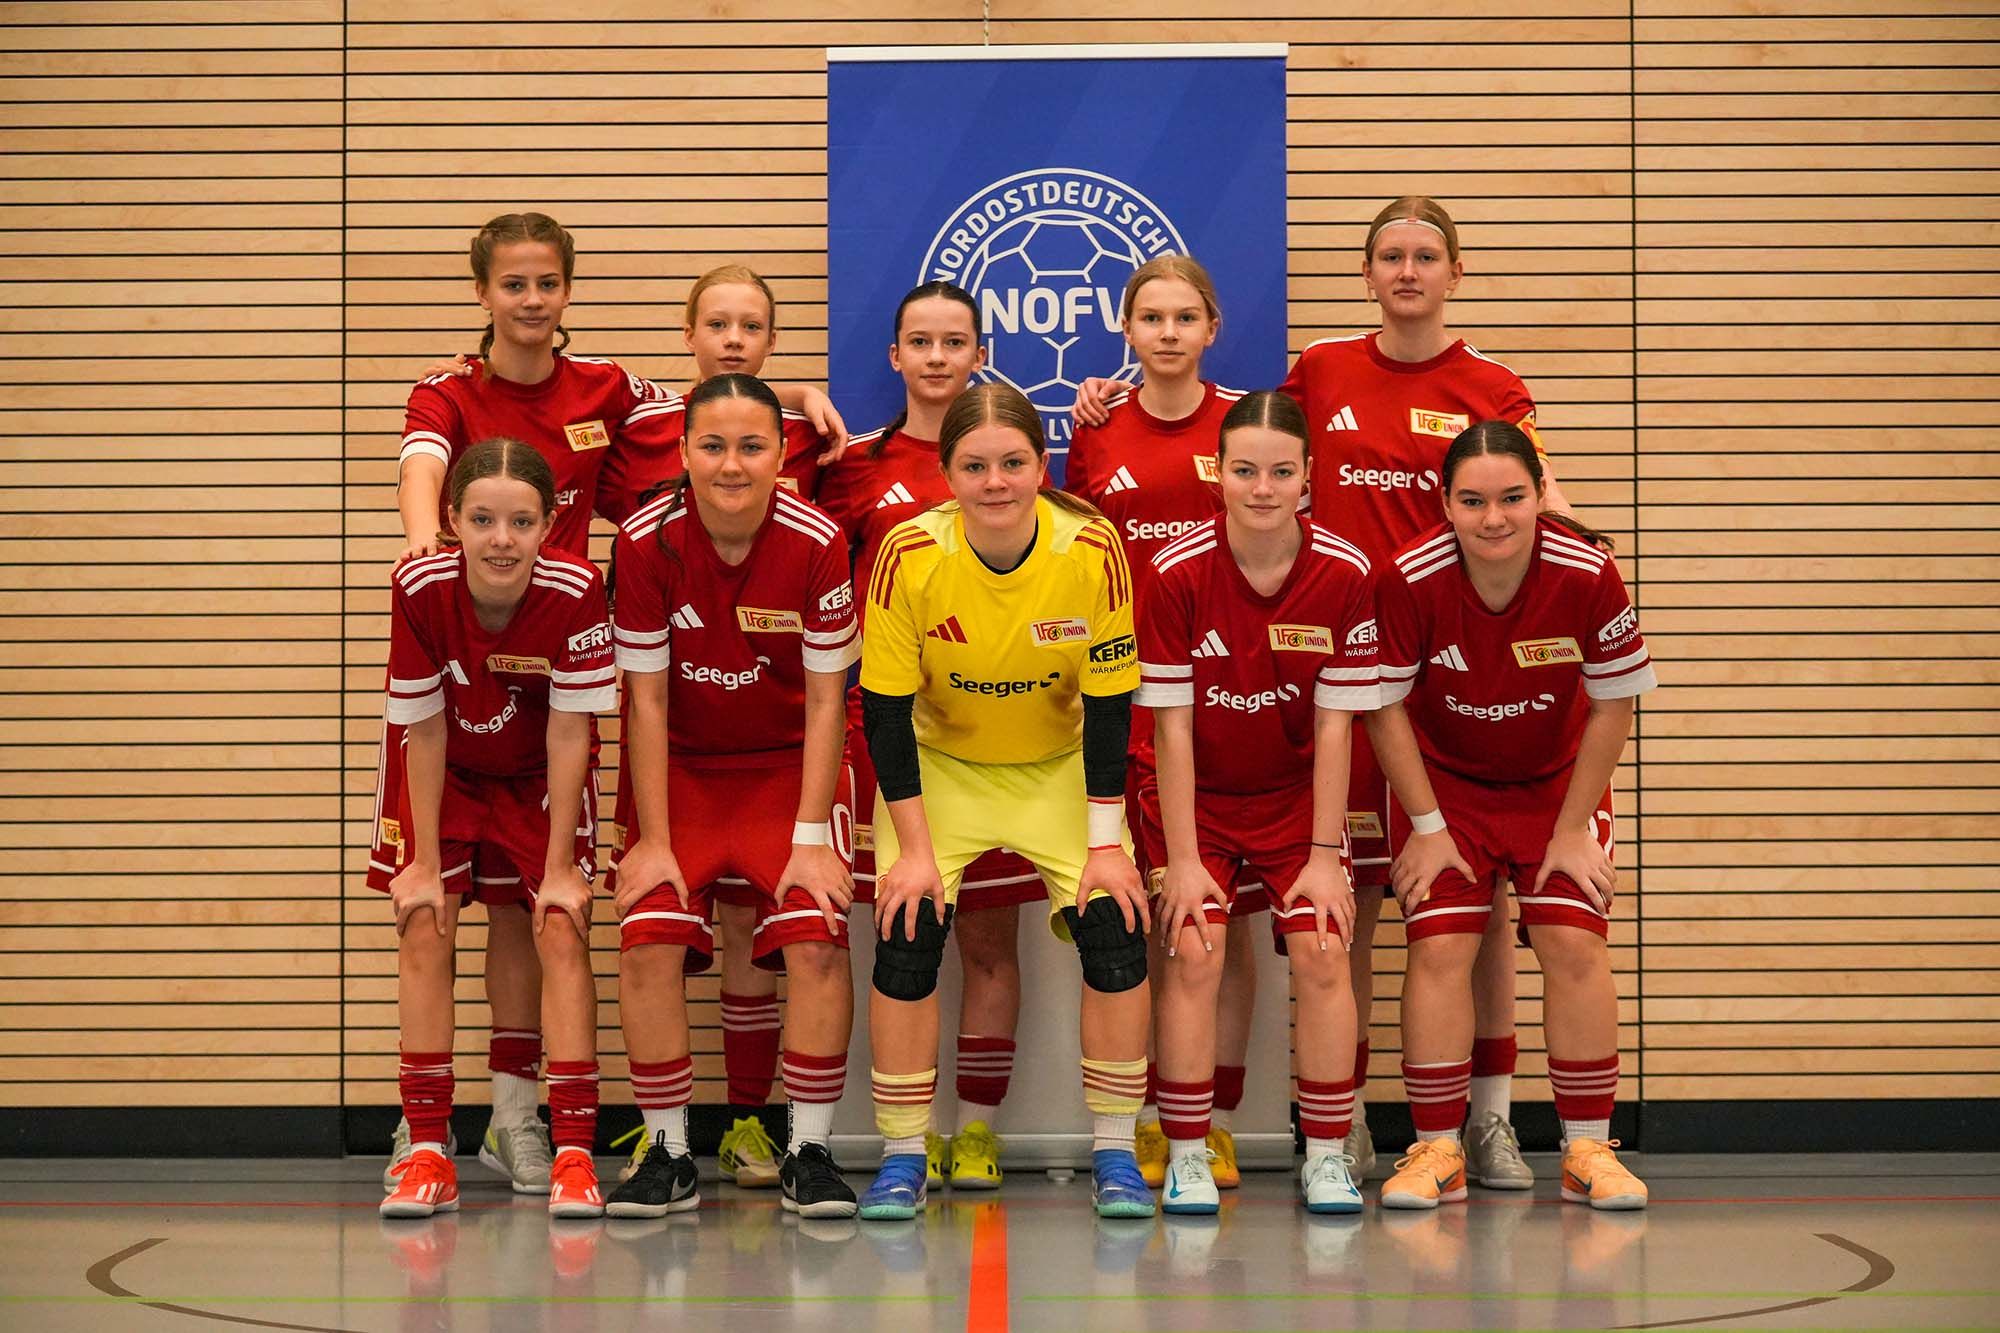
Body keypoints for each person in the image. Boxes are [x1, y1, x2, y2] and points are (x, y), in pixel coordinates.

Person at [383, 211, 669, 1195]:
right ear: (482, 292)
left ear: (568, 290)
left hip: (553, 677)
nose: (532, 299)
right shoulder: (447, 390)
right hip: (460, 676)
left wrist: (798, 394)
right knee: (426, 909)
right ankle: (423, 1130)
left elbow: (710, 407)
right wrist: (424, 541)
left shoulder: (607, 387)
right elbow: (423, 462)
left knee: (536, 914)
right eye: (513, 283)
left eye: (548, 282)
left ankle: (517, 1121)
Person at [854, 383, 1155, 1220]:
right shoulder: (909, 552)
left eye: (1013, 462)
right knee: (907, 929)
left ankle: (1116, 1150)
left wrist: (1105, 846)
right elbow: (883, 711)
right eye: (975, 466)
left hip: (1057, 767)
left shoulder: (1090, 546)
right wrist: (915, 851)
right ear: (947, 473)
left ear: (1042, 464)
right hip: (941, 768)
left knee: (1116, 926)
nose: (996, 482)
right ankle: (904, 1155)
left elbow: (1112, 707)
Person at [1365, 421, 1653, 1211]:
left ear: (1539, 495)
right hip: (1445, 787)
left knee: (1573, 940)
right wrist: (1428, 827)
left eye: (1512, 497)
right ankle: (1437, 1149)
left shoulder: (1588, 570)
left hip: (1557, 785)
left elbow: (1615, 701)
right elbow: (1384, 706)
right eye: (1473, 500)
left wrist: (1571, 828)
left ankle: (1588, 1147)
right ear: (1445, 503)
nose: (1493, 517)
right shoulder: (1408, 575)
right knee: (1439, 945)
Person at [598, 266, 843, 1191]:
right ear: (684, 451)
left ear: (782, 454)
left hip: (786, 769)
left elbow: (828, 700)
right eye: (712, 446)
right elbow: (647, 699)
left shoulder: (819, 540)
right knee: (650, 936)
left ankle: (807, 1149)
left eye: (750, 446)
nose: (731, 464)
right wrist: (654, 838)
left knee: (815, 936)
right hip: (684, 770)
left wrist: (813, 837)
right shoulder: (643, 541)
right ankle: (668, 1153)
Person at [818, 283, 1049, 1193]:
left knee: (990, 941)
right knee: (905, 936)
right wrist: (795, 393)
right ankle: (903, 1144)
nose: (938, 356)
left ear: (981, 352)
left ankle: (978, 1131)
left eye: (956, 341)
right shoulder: (851, 466)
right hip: (888, 739)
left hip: (996, 739)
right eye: (920, 341)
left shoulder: (1009, 460)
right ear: (895, 356)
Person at [1136, 391, 1382, 1215]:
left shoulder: (1345, 572)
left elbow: (1338, 725)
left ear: (1308, 476)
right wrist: (1179, 860)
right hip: (1197, 799)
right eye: (1245, 470)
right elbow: (1170, 729)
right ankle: (1186, 1153)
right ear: (1218, 473)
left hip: (1295, 800)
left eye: (1281, 472)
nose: (1264, 488)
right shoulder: (1175, 571)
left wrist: (1324, 854)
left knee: (1323, 948)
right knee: (1194, 947)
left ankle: (1327, 1154)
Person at [373, 439, 616, 1220]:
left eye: (520, 521)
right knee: (424, 918)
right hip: (444, 765)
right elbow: (423, 726)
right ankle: (427, 1145)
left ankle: (567, 1148)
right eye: (482, 520)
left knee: (555, 923)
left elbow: (571, 731)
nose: (501, 539)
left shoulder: (577, 588)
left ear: (549, 524)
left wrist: (561, 868)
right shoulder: (418, 584)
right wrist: (421, 861)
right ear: (452, 520)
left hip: (539, 771)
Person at [1065, 254, 1261, 1191]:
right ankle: (1148, 1116)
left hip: (1237, 698)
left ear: (1212, 328)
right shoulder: (1097, 429)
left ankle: (1215, 1122)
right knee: (1149, 920)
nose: (1169, 332)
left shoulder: (1248, 424)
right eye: (1152, 317)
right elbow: (1077, 563)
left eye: (1186, 316)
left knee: (1229, 930)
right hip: (1129, 702)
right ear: (1127, 328)